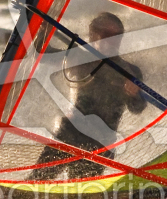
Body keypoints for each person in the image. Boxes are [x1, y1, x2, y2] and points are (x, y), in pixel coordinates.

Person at [33, 11, 146, 179]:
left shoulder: (131, 72)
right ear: (93, 35)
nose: (112, 40)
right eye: (107, 34)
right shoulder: (79, 57)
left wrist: (134, 94)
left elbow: (137, 108)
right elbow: (41, 53)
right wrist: (44, 32)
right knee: (35, 184)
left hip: (100, 143)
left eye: (117, 35)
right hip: (69, 134)